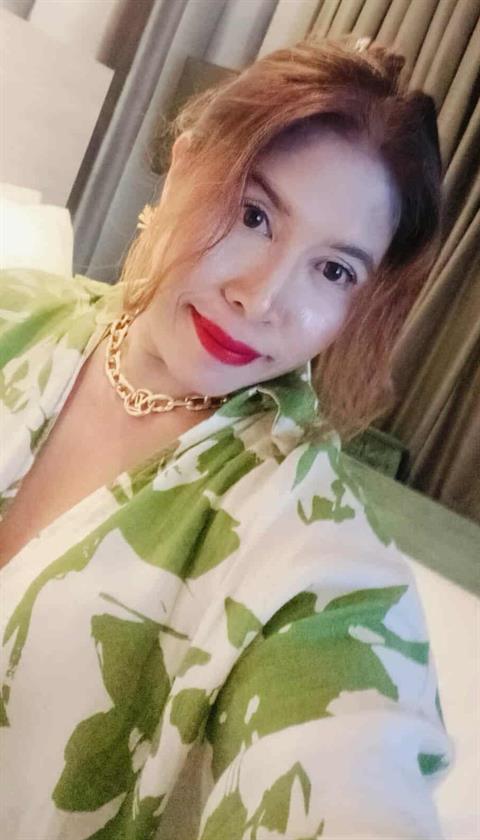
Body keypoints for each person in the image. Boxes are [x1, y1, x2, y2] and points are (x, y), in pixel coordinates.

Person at [0, 37, 452, 839]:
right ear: (183, 164)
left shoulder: (308, 543)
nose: (261, 296)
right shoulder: (14, 313)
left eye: (334, 271)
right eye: (254, 215)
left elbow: (347, 755)